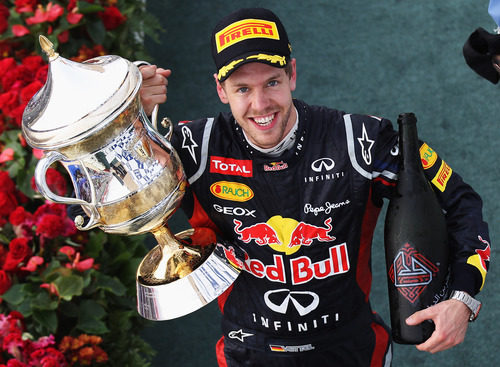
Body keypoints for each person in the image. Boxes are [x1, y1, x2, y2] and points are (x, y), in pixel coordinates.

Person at [139, 8, 491, 367]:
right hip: (247, 353)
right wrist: (125, 118)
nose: (260, 105)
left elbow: (459, 202)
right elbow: (93, 201)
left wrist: (463, 297)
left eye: (272, 82)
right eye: (242, 88)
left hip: (352, 351)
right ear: (220, 89)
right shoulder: (191, 148)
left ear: (292, 73)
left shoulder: (360, 141)